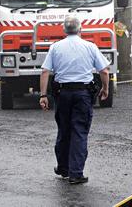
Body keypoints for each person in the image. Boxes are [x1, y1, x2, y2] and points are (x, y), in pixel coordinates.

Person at [39, 16, 110, 185]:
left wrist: (43, 95)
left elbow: (45, 72)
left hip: (62, 94)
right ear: (80, 30)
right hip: (83, 94)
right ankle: (76, 173)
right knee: (79, 131)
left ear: (64, 30)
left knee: (64, 130)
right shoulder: (90, 47)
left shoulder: (55, 47)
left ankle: (63, 168)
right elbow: (104, 71)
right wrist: (105, 89)